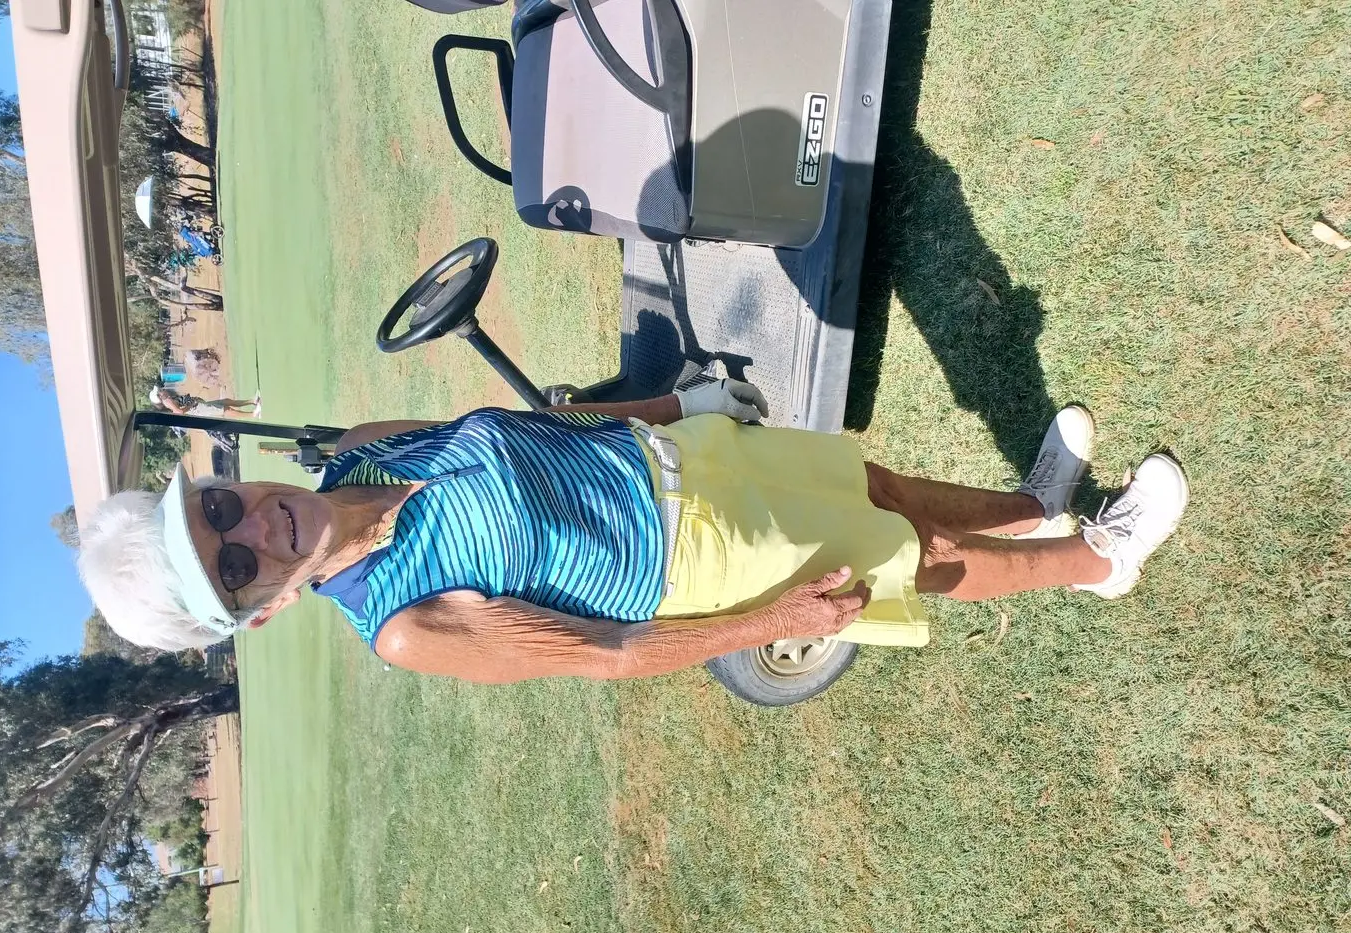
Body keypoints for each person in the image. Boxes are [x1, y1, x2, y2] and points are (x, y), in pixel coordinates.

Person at [79, 381, 1188, 683]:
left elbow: (532, 425)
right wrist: (769, 619)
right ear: (261, 610)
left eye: (216, 508)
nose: (253, 527)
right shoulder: (402, 624)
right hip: (689, 559)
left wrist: (671, 408)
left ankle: (1034, 502)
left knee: (874, 479)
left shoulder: (361, 450)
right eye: (235, 569)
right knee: (913, 558)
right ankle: (1101, 558)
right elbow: (604, 653)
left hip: (682, 462)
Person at [150, 385, 263, 420]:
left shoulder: (168, 397)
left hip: (199, 406)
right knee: (225, 410)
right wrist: (191, 405)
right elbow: (179, 412)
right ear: (159, 397)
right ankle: (253, 414)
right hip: (198, 409)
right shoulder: (167, 401)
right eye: (159, 392)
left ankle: (252, 401)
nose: (161, 390)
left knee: (225, 402)